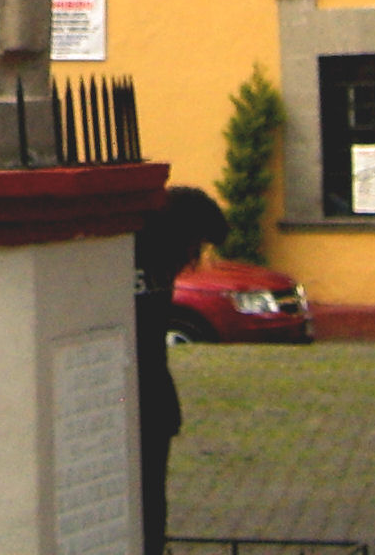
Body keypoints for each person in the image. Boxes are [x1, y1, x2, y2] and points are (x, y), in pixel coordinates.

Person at [135, 186, 229, 555]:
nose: (196, 256)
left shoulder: (152, 257)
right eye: (197, 244)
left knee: (149, 498)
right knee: (146, 498)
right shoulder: (142, 255)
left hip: (152, 398)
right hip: (143, 396)